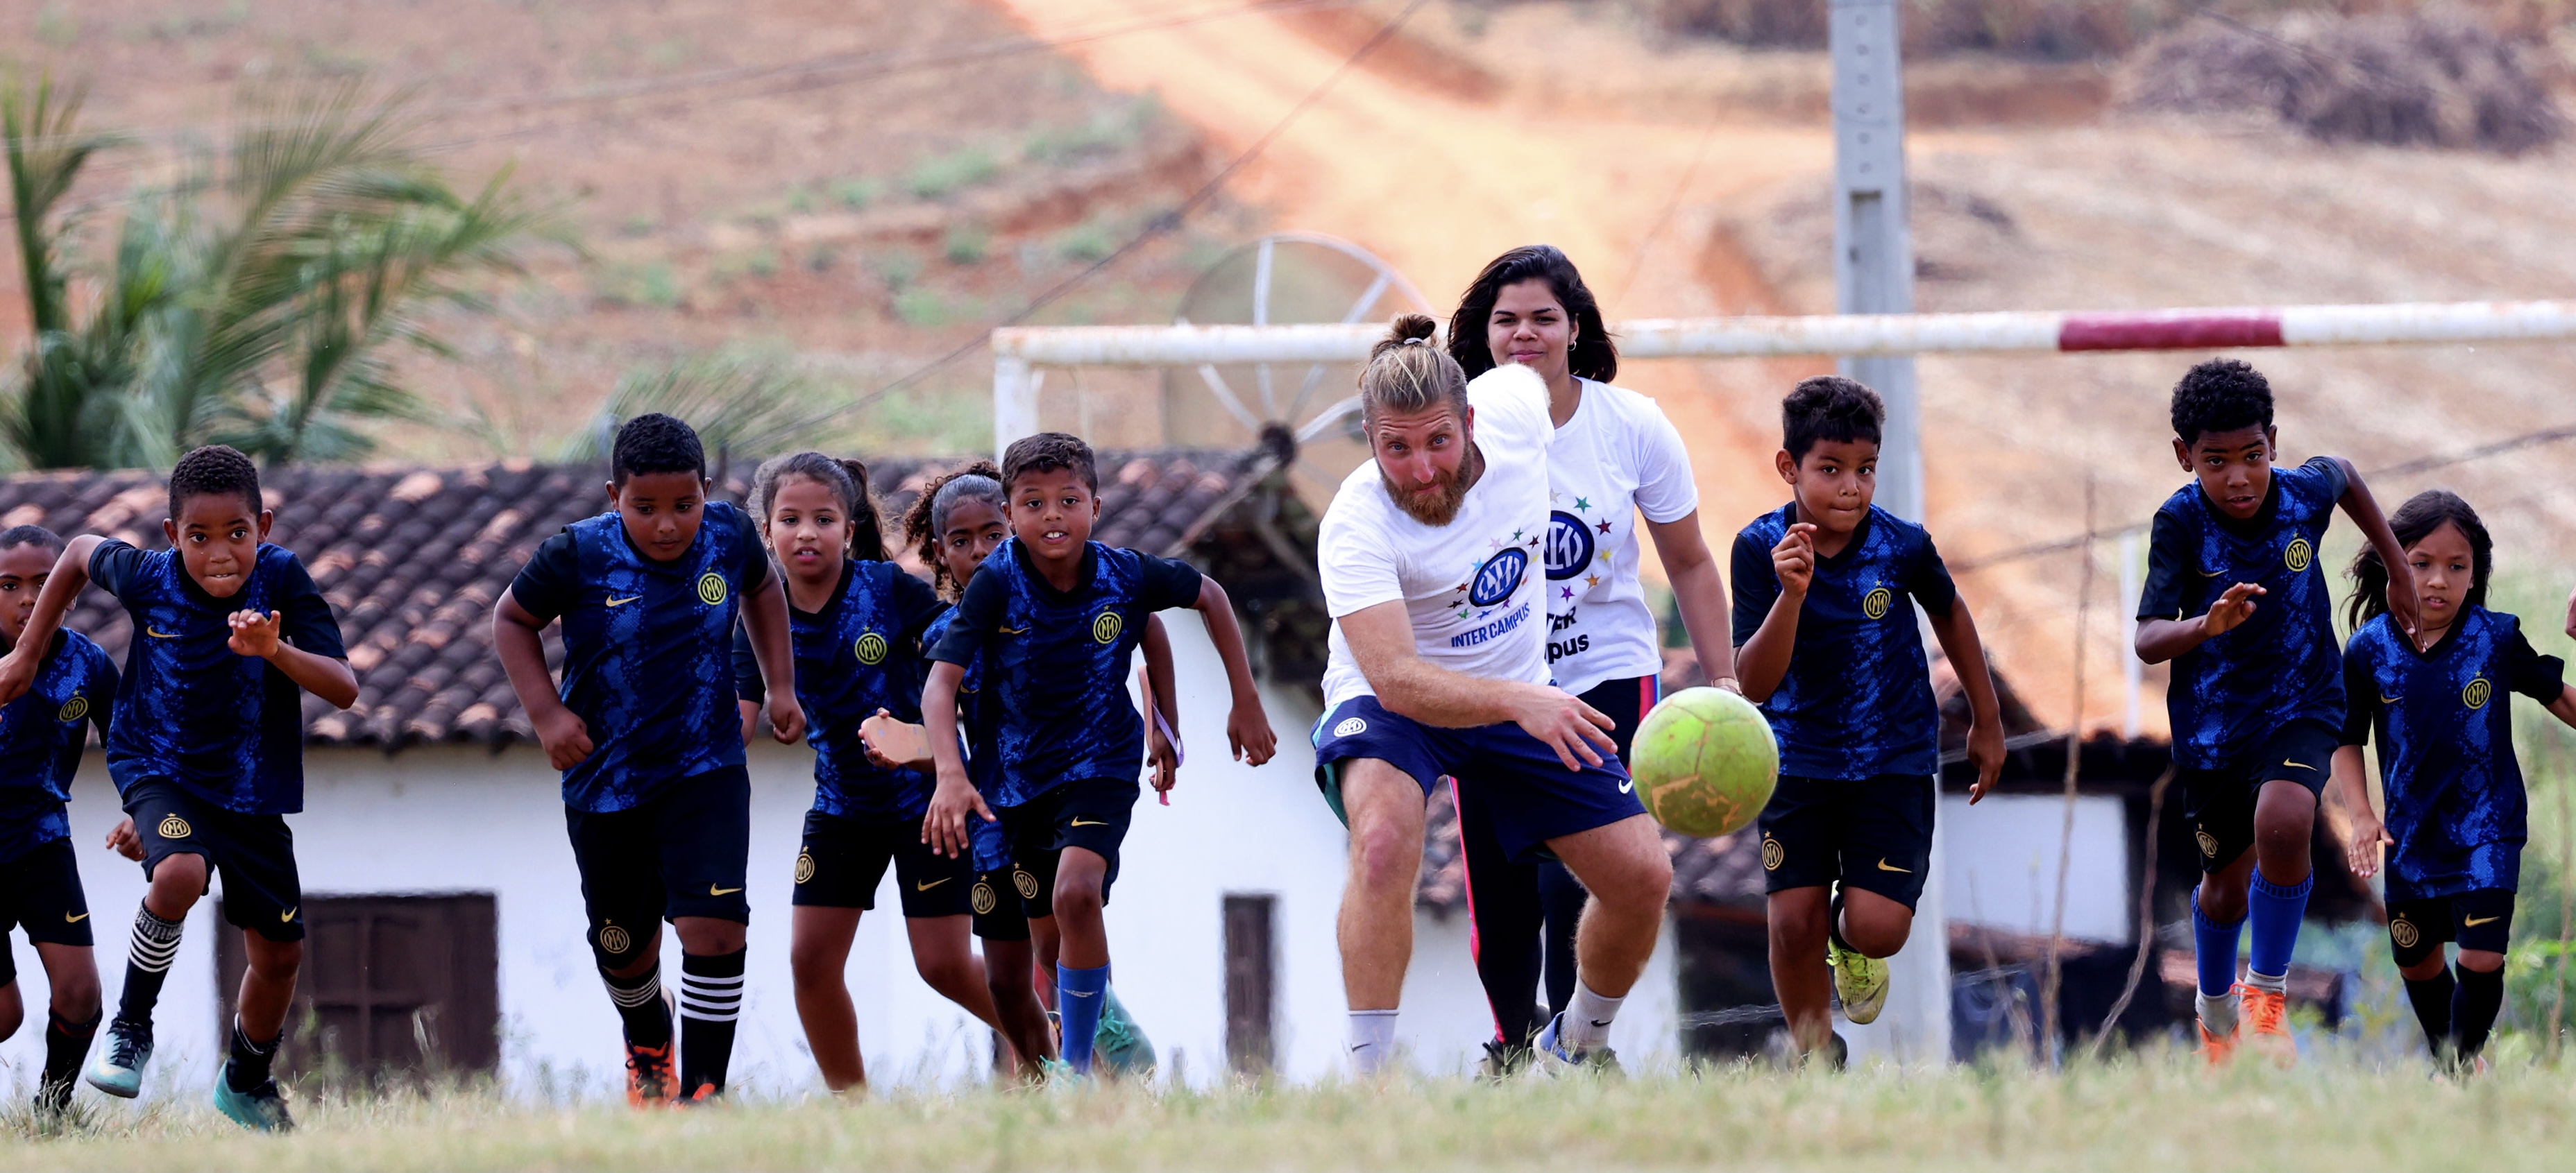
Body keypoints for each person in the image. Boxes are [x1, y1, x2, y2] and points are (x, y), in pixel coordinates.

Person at [1311, 314, 1674, 1074]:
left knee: (1643, 877)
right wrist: (1517, 700)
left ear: (1472, 419)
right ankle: (1370, 1079)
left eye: (1437, 440)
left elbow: (1552, 377)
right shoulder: (1354, 522)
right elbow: (1395, 679)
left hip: (1516, 691)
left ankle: (1576, 1044)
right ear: (1371, 441)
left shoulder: (1513, 405)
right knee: (1380, 840)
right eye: (1394, 448)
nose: (1418, 469)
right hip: (1397, 703)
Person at [1442, 244, 1742, 1072]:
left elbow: (1686, 560)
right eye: (1506, 320)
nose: (1524, 334)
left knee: (1578, 872)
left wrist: (1724, 683)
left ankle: (1578, 1045)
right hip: (1495, 683)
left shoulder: (1631, 424)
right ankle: (1507, 1044)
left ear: (1576, 328)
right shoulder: (1453, 425)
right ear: (1484, 333)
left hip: (1609, 673)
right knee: (1502, 896)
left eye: (1543, 317)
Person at [0, 445, 359, 1130]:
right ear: (172, 536)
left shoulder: (283, 581)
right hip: (159, 767)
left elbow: (344, 686)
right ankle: (132, 1028)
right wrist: (24, 653)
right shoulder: (147, 575)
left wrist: (274, 651)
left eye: (237, 533)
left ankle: (247, 1079)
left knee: (281, 955)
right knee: (181, 873)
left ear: (265, 527)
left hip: (252, 789)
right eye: (199, 536)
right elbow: (77, 549)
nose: (219, 552)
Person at [921, 433, 1276, 1077]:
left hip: (1100, 763)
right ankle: (1066, 1063)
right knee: (1039, 952)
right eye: (1033, 503)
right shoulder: (994, 587)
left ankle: (1077, 1072)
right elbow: (940, 687)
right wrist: (948, 772)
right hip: (1013, 790)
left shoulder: (1124, 573)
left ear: (1096, 505)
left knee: (1077, 895)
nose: (1052, 515)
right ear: (1014, 512)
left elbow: (1196, 605)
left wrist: (1212, 709)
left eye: (1068, 500)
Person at [493, 413, 804, 1106]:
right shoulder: (576, 554)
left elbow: (762, 587)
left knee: (715, 924)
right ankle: (647, 1041)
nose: (668, 525)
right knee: (623, 945)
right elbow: (510, 619)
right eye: (646, 508)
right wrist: (546, 713)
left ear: (707, 491)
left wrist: (778, 684)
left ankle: (704, 1091)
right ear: (613, 497)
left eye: (683, 505)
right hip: (606, 779)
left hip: (706, 765)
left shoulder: (729, 533)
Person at [2134, 358, 2416, 1067]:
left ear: (2273, 443)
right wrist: (2204, 624)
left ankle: (2266, 994)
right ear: (2184, 457)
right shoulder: (2179, 523)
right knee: (2223, 892)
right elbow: (2145, 637)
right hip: (2213, 726)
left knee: (2286, 818)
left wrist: (2397, 567)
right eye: (2216, 460)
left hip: (2304, 698)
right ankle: (2214, 1006)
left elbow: (2344, 471)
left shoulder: (2300, 496)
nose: (2238, 477)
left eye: (2253, 456)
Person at [1733, 377, 2004, 1065]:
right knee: (1792, 922)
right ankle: (1815, 1054)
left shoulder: (1902, 545)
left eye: (1864, 469)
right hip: (1793, 763)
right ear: (1789, 468)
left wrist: (1985, 716)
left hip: (1893, 760)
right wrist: (1790, 595)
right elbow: (1754, 679)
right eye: (1830, 469)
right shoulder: (1759, 548)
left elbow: (1950, 612)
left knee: (1881, 926)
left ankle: (1850, 944)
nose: (1851, 487)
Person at [727, 452, 1017, 1092]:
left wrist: (922, 744)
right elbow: (737, 719)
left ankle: (1052, 1049)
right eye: (791, 518)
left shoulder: (886, 592)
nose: (807, 532)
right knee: (810, 962)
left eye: (823, 518)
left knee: (940, 964)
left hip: (928, 806)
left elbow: (960, 656)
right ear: (767, 532)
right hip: (842, 812)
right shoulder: (759, 623)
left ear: (849, 528)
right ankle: (853, 1108)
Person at [871, 463, 1169, 1079]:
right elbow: (944, 735)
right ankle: (1043, 1086)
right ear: (938, 551)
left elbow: (1147, 618)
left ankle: (1093, 1060)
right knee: (1007, 979)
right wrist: (902, 746)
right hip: (988, 815)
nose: (978, 551)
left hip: (1053, 794)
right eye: (960, 541)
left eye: (991, 535)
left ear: (1014, 529)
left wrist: (1162, 721)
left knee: (1057, 936)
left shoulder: (1040, 607)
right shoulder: (941, 636)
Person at [2332, 490, 2575, 1072]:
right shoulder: (2369, 651)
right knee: (2416, 962)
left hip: (2488, 828)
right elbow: (2346, 737)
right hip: (2412, 838)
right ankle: (2465, 1069)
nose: (2438, 580)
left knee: (2484, 956)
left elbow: (2559, 698)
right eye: (2421, 563)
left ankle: (2456, 1072)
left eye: (2456, 566)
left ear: (2475, 574)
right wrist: (2363, 815)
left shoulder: (2494, 638)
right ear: (2393, 562)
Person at [0, 526, 116, 1119]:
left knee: (80, 992)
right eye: (10, 585)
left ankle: (50, 1113)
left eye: (44, 585)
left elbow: (132, 746)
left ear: (68, 594)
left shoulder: (87, 665)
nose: (27, 598)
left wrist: (142, 812)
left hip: (44, 840)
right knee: (6, 1016)